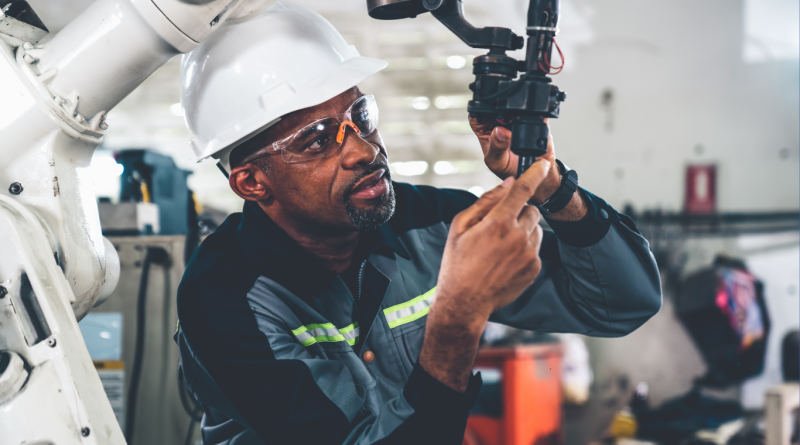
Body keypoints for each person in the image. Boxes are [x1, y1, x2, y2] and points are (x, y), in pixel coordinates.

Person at [174, 3, 662, 444]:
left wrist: (551, 187)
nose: (364, 149)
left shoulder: (428, 225)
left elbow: (621, 303)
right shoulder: (224, 299)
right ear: (252, 182)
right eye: (318, 140)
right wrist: (458, 316)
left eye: (360, 115)